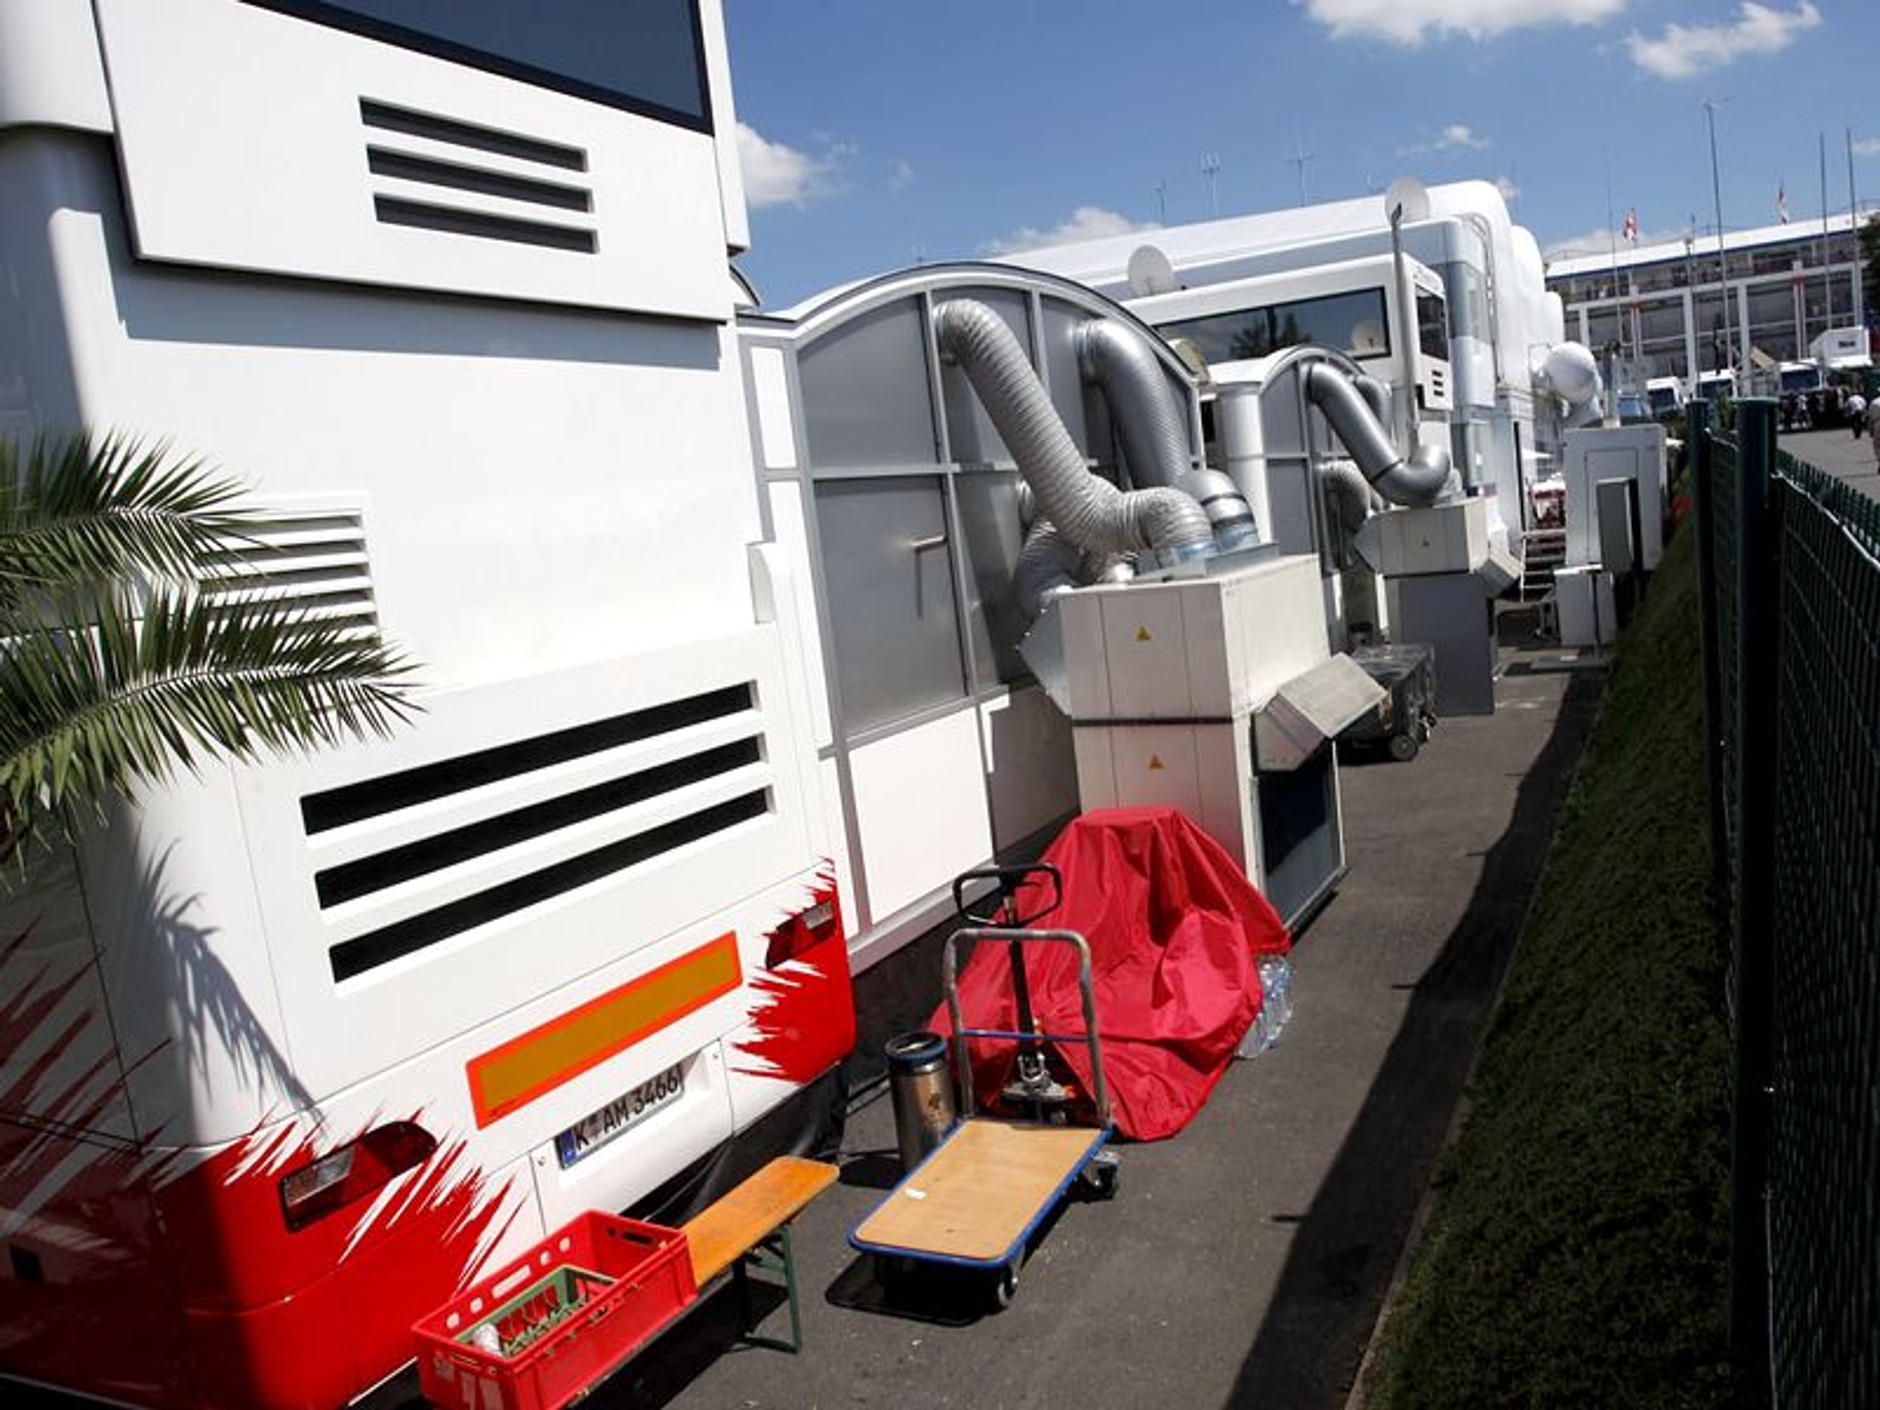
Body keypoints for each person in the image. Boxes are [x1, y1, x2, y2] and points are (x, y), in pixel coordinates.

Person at [1866, 396, 1880, 467]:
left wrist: (1870, 430)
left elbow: (1870, 417)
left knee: (1877, 444)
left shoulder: (1874, 402)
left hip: (1877, 423)